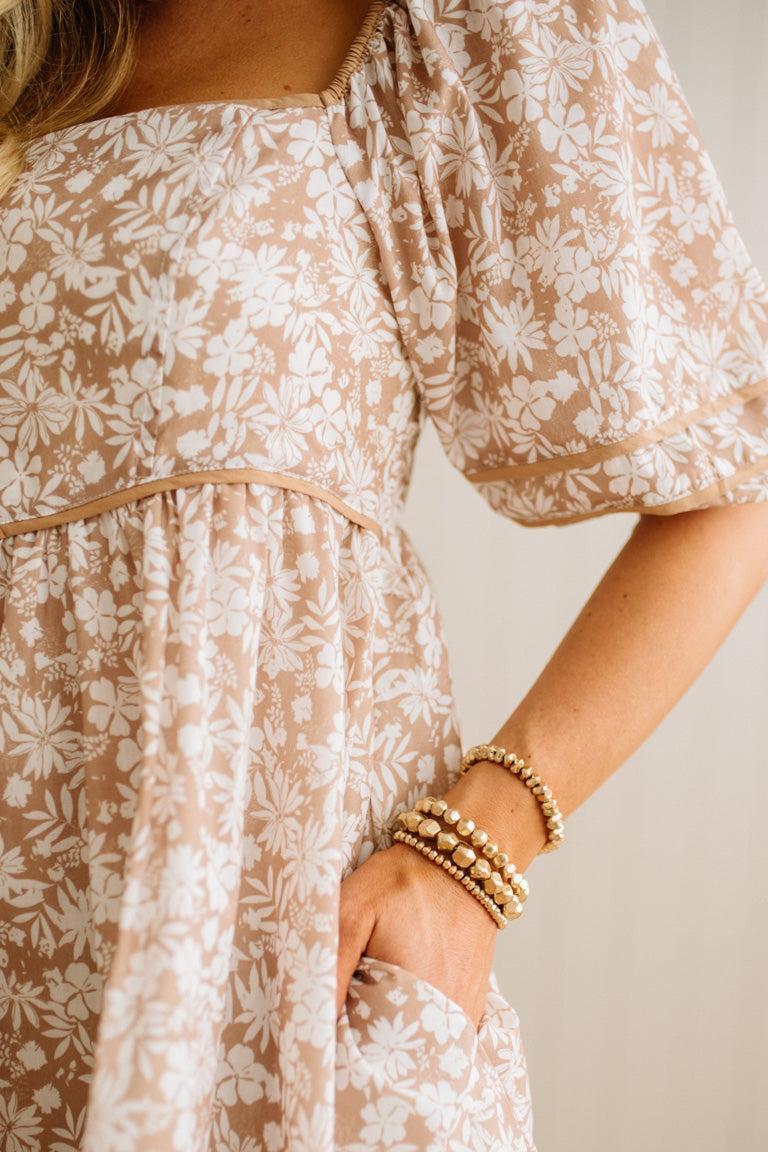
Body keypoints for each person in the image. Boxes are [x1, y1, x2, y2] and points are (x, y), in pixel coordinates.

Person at [1, 0, 767, 1149]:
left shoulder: (450, 25)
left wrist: (475, 852)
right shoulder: (32, 51)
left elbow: (733, 480)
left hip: (260, 970)